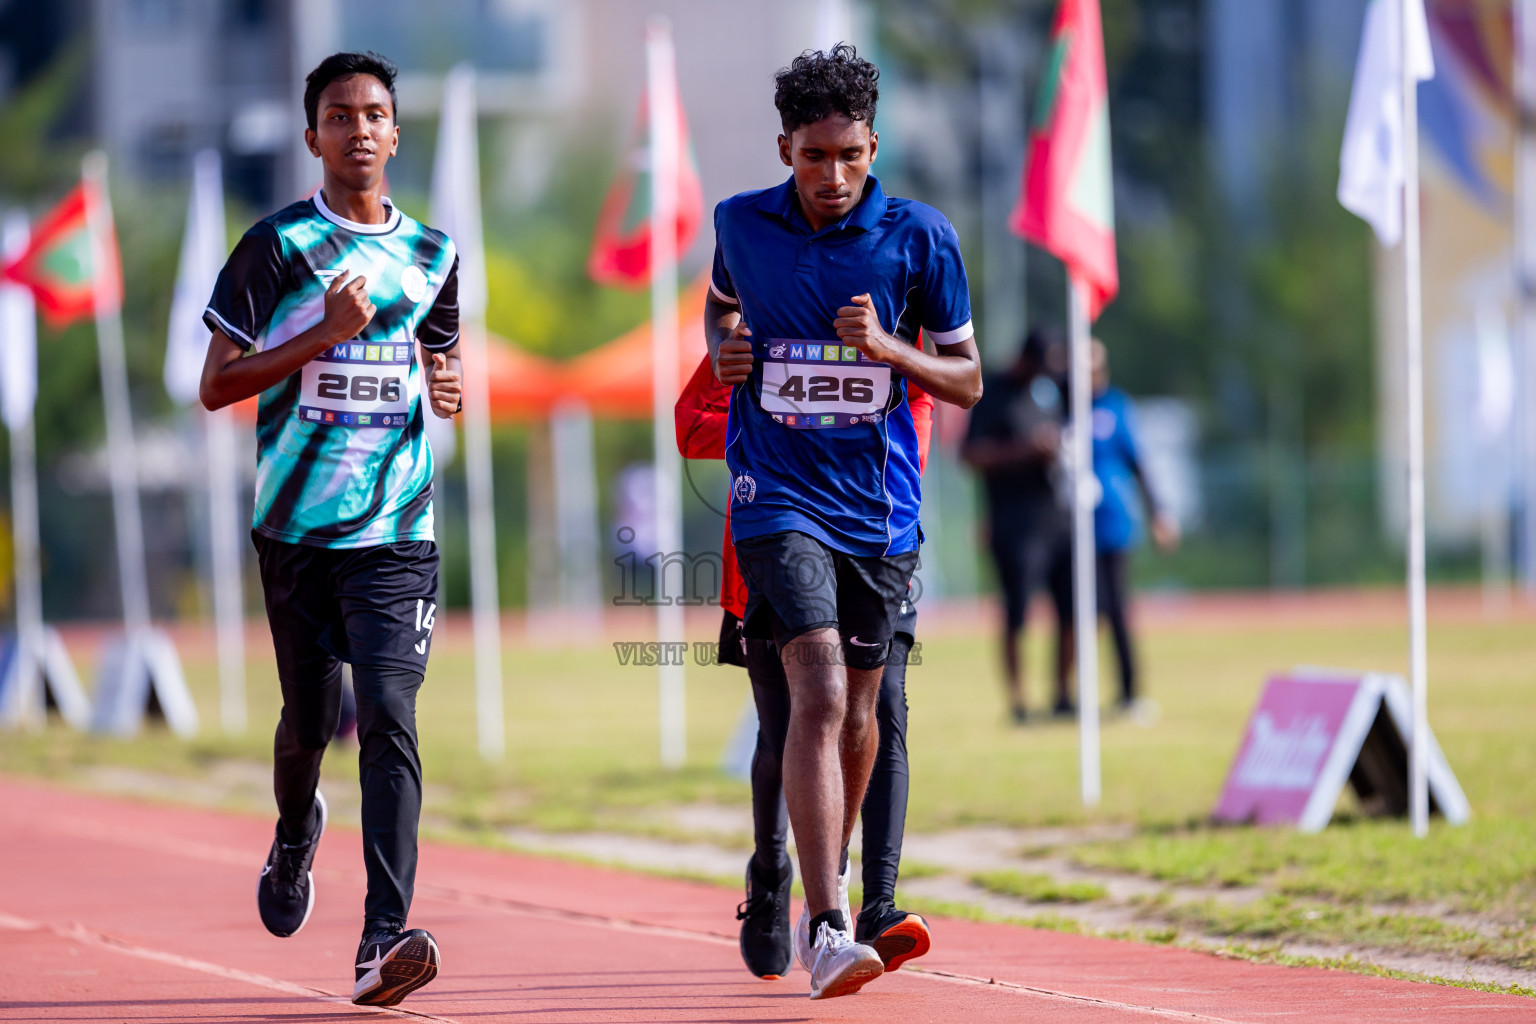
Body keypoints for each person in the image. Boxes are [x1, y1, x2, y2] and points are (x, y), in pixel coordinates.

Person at [705, 43, 981, 1000]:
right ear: (786, 147)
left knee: (865, 713)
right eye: (815, 156)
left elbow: (969, 379)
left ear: (875, 147)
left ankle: (825, 883)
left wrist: (887, 348)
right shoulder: (739, 223)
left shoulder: (921, 239)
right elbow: (719, 308)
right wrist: (726, 354)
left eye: (851, 155)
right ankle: (826, 923)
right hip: (775, 497)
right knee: (817, 690)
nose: (833, 175)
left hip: (880, 508)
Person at [198, 51, 460, 1008]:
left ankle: (381, 941)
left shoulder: (435, 254)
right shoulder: (275, 247)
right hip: (296, 534)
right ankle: (295, 829)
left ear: (395, 133)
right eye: (340, 115)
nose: (359, 130)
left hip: (397, 533)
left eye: (375, 114)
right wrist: (319, 338)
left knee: (390, 717)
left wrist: (449, 381)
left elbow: (441, 353)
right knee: (310, 727)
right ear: (313, 135)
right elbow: (215, 385)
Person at [676, 355, 936, 983]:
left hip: (875, 533)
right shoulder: (761, 313)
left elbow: (923, 411)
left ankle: (870, 904)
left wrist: (847, 443)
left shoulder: (897, 312)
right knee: (783, 725)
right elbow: (690, 423)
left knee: (882, 709)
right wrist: (774, 434)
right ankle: (770, 877)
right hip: (775, 540)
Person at [1059, 340, 1179, 713]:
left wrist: (1158, 511)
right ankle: (1066, 697)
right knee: (1073, 615)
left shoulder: (1115, 407)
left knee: (1116, 612)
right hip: (1069, 528)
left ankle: (1129, 693)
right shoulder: (1062, 408)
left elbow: (1138, 463)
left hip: (1112, 525)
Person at [961, 329, 1074, 722]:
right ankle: (1019, 701)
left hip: (1058, 518)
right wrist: (1027, 450)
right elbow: (970, 454)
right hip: (1014, 523)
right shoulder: (993, 390)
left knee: (1072, 610)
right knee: (1017, 614)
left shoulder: (1052, 391)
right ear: (1025, 359)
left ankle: (1063, 695)